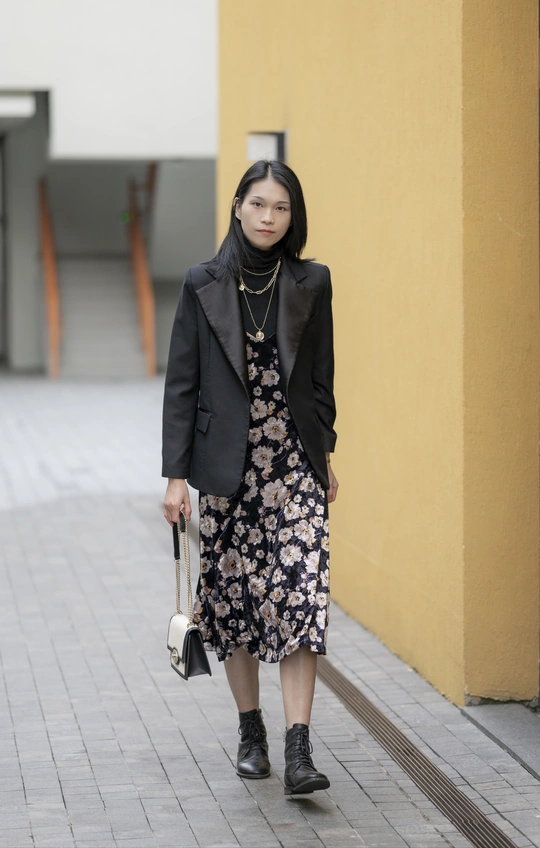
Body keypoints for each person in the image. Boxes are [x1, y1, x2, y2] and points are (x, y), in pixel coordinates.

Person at [162, 159, 338, 796]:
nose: (269, 217)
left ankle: (299, 750)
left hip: (293, 466)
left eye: (281, 207)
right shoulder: (203, 282)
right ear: (238, 206)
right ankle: (250, 732)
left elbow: (321, 380)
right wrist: (176, 477)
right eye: (259, 204)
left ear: (294, 216)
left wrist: (326, 455)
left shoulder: (312, 281)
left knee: (301, 597)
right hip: (227, 470)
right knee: (235, 603)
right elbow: (182, 385)